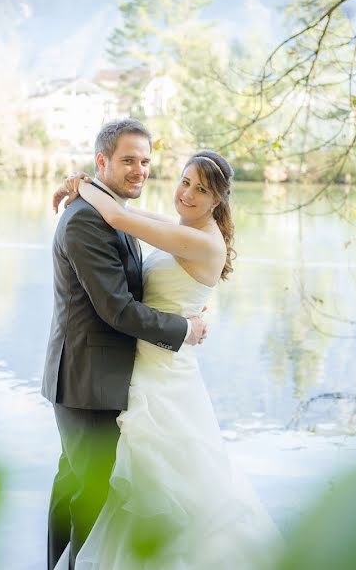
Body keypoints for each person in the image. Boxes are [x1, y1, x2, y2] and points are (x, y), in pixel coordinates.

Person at [52, 150, 281, 569]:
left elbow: (120, 219)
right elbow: (125, 211)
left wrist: (80, 185)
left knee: (163, 488)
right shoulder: (185, 228)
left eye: (201, 190)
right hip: (146, 365)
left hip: (161, 378)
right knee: (131, 486)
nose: (187, 194)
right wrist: (87, 185)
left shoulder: (199, 239)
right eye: (185, 181)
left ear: (218, 201)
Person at [42, 119, 209, 570]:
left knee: (76, 486)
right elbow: (116, 309)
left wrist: (84, 185)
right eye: (128, 160)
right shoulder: (85, 223)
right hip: (88, 381)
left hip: (105, 378)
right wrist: (183, 331)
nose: (140, 170)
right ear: (103, 162)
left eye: (146, 161)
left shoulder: (112, 209)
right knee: (87, 493)